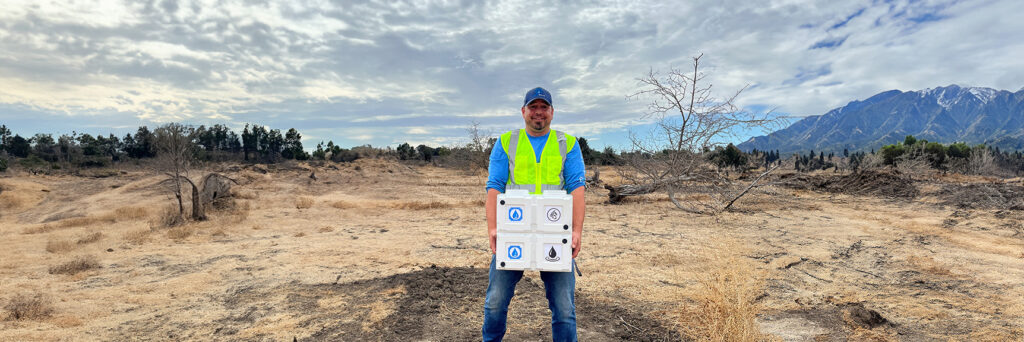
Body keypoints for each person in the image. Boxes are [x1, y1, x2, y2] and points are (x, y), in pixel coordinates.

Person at [482, 87, 586, 342]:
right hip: (513, 233)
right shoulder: (506, 141)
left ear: (552, 112)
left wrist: (576, 232)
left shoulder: (568, 143)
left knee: (564, 309)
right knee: (495, 303)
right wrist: (494, 230)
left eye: (543, 107)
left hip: (554, 236)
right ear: (523, 111)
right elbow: (494, 186)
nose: (538, 113)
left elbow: (577, 189)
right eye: (533, 107)